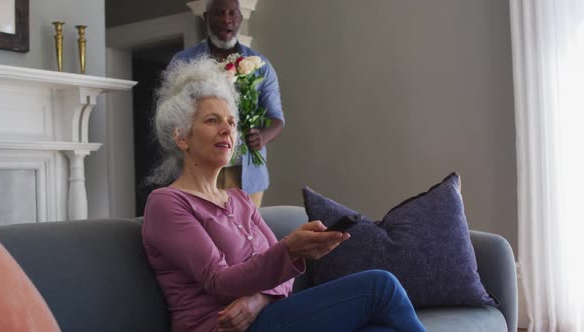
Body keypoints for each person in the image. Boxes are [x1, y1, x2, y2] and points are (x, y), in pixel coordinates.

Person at [142, 58, 426, 332]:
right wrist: (290, 249)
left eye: (231, 121)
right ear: (181, 137)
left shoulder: (240, 199)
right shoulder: (167, 203)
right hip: (219, 327)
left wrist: (260, 299)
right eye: (212, 120)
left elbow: (285, 276)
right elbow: (219, 280)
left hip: (267, 317)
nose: (227, 129)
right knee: (381, 286)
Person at [169, 0, 284, 208]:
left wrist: (262, 136)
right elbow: (170, 114)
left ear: (240, 18)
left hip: (248, 172)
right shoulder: (183, 62)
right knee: (207, 231)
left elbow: (277, 118)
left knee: (247, 235)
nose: (226, 19)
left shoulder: (261, 65)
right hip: (198, 168)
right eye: (219, 13)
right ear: (206, 17)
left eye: (233, 13)